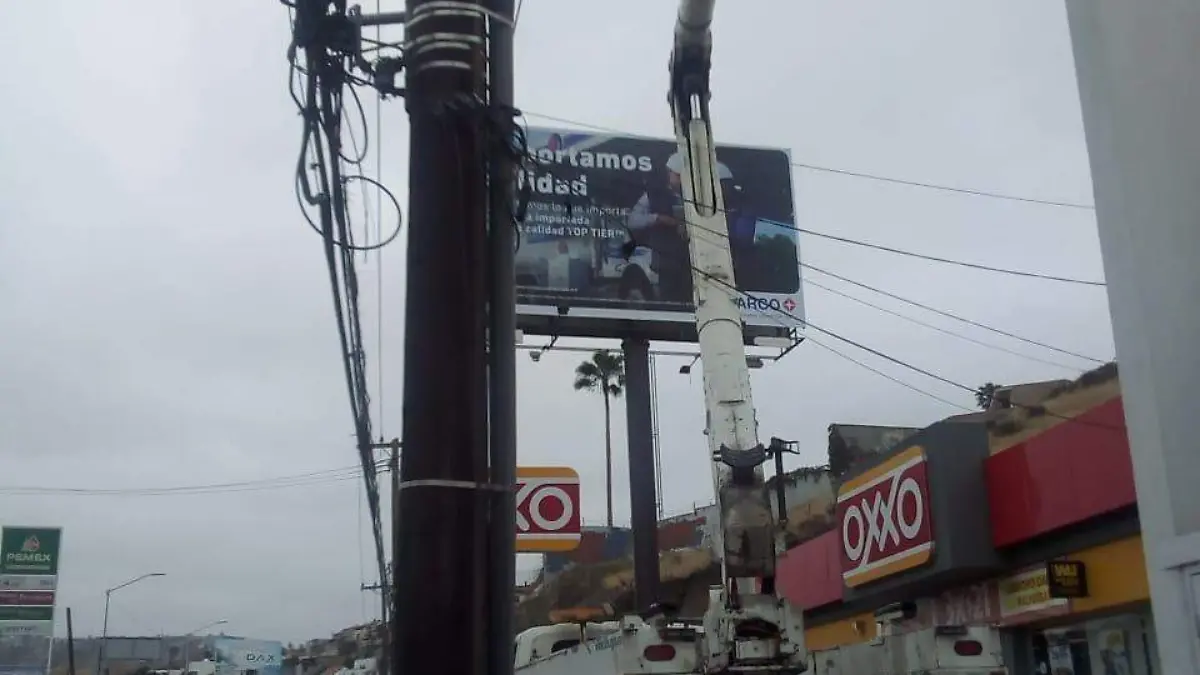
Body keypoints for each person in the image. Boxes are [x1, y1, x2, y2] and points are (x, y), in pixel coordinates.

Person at [626, 152, 749, 302]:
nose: (673, 177)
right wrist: (658, 219)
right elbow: (633, 220)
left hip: (708, 269)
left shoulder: (720, 203)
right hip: (668, 266)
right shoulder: (654, 196)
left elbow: (738, 234)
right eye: (673, 174)